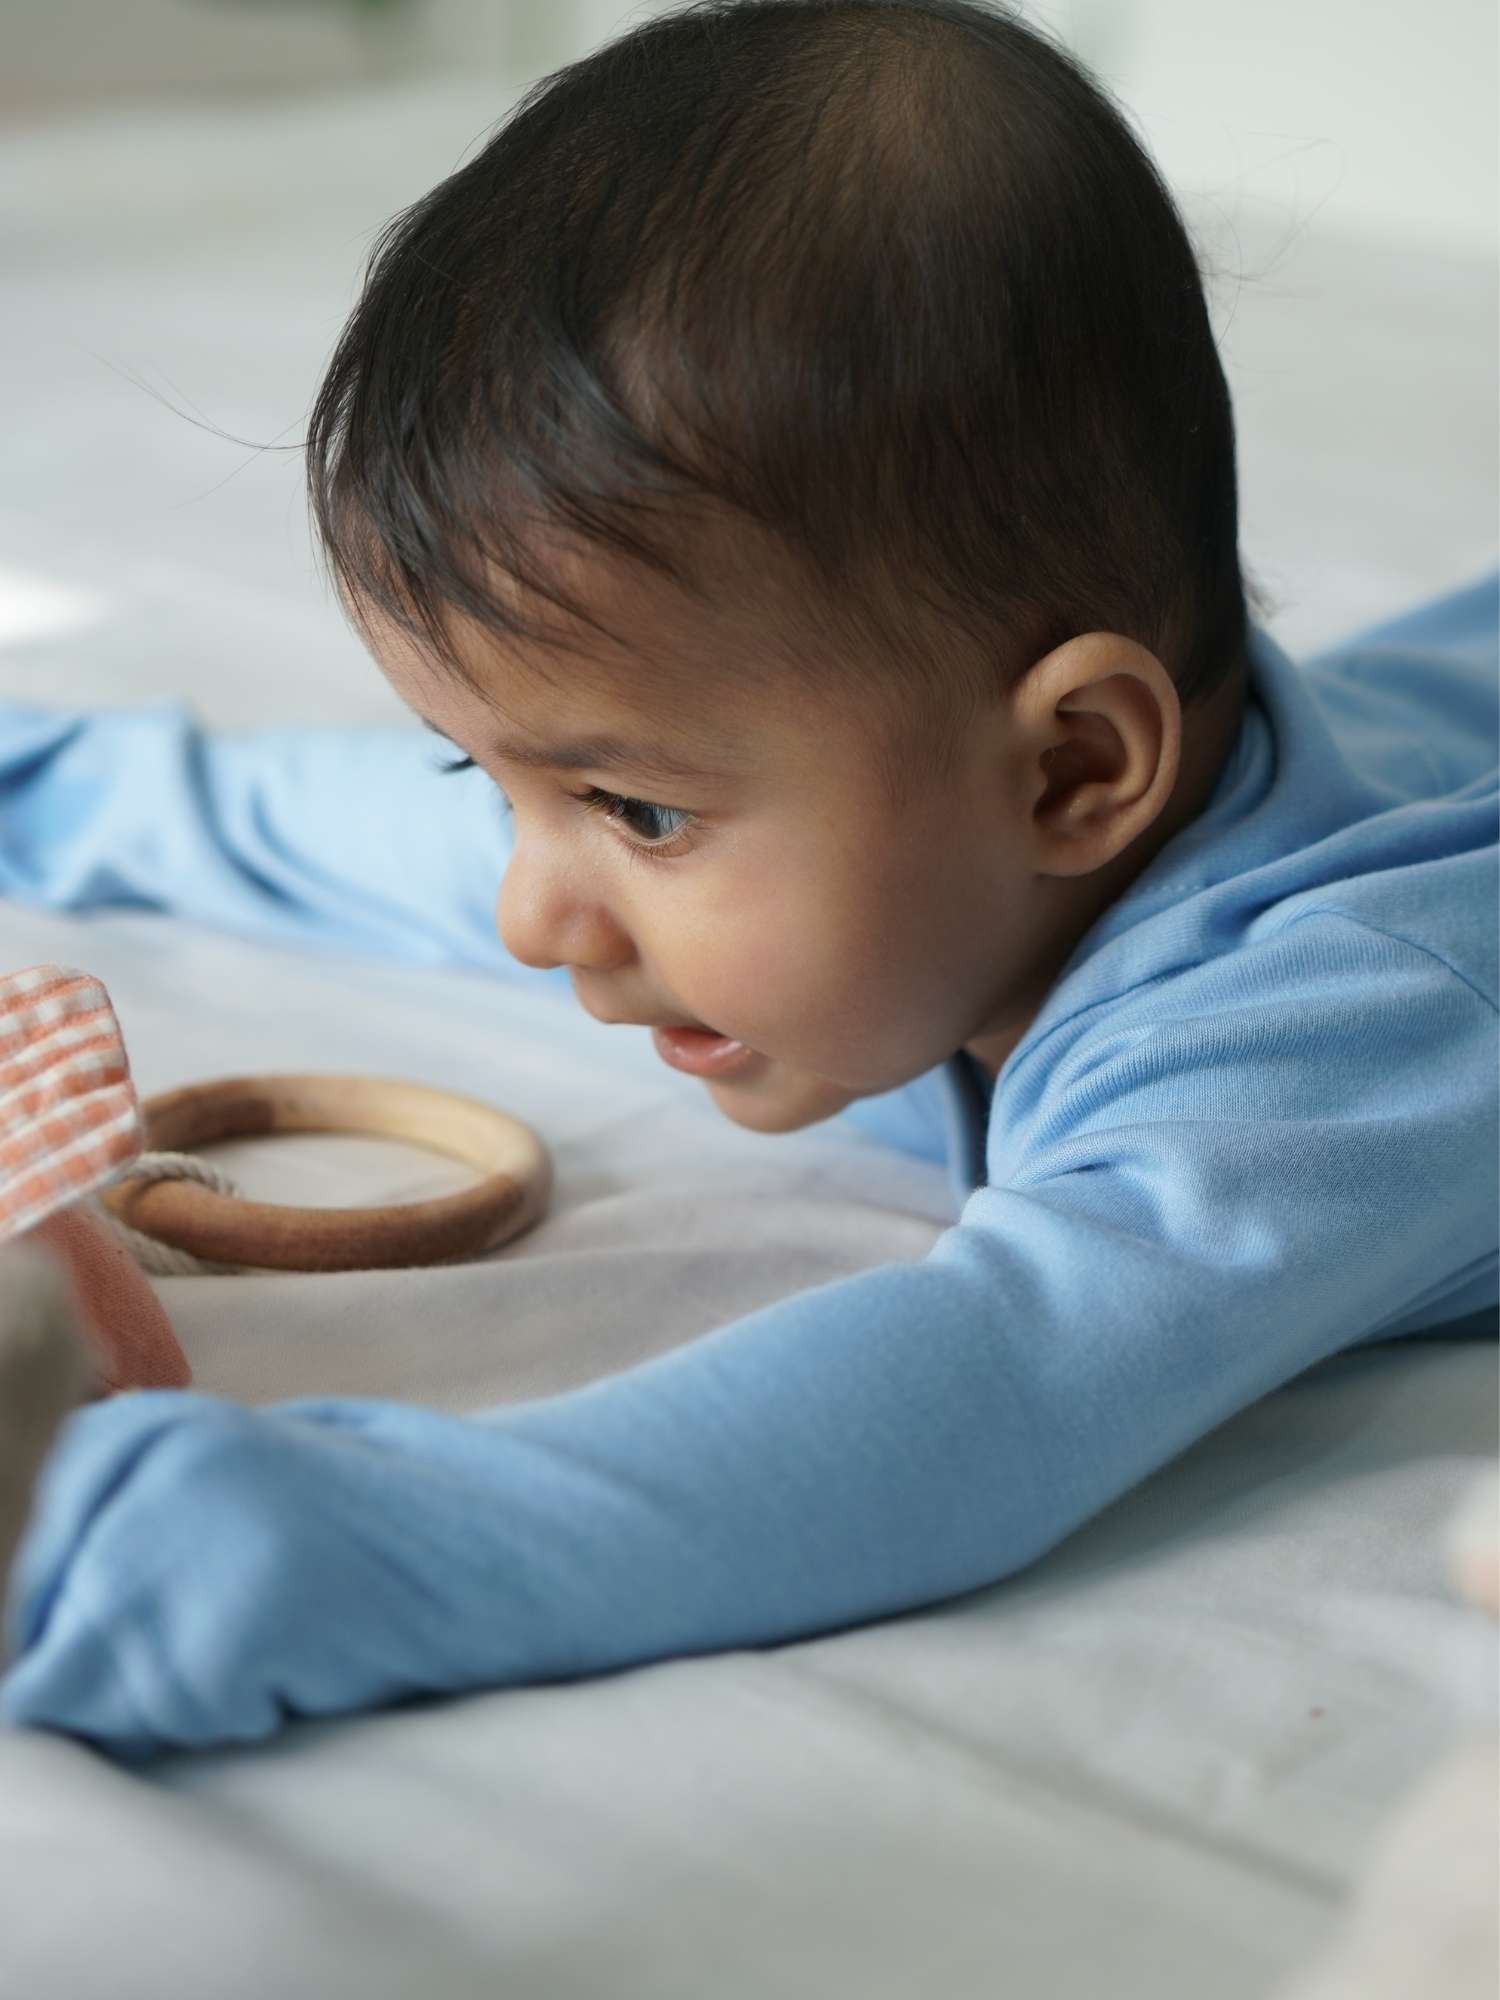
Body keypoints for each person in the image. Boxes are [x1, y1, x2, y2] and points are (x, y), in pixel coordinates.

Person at [0, 0, 1494, 1758]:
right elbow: (349, 829)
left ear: (1077, 769)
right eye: (493, 783)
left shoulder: (1341, 1029)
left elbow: (974, 1401)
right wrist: (47, 780)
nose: (524, 915)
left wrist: (162, 1555)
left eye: (633, 815)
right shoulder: (919, 840)